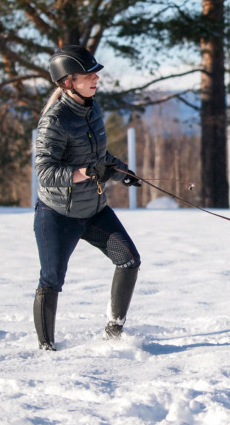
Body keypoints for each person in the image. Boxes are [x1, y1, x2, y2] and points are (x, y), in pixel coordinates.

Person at [33, 45, 142, 351]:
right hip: (57, 214)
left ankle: (114, 331)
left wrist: (122, 172)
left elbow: (99, 157)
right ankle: (46, 349)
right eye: (87, 74)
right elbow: (45, 172)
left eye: (95, 73)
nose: (95, 78)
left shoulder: (92, 107)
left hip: (93, 209)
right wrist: (87, 172)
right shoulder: (55, 121)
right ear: (67, 82)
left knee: (129, 260)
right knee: (51, 280)